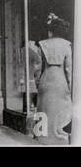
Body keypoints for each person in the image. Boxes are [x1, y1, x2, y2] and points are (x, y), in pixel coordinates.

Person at [33, 13, 72, 145]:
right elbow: (68, 70)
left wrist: (38, 84)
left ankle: (44, 140)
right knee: (60, 112)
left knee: (45, 112)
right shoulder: (67, 45)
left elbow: (37, 68)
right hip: (60, 82)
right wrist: (69, 87)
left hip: (46, 81)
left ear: (51, 30)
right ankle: (60, 139)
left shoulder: (42, 45)